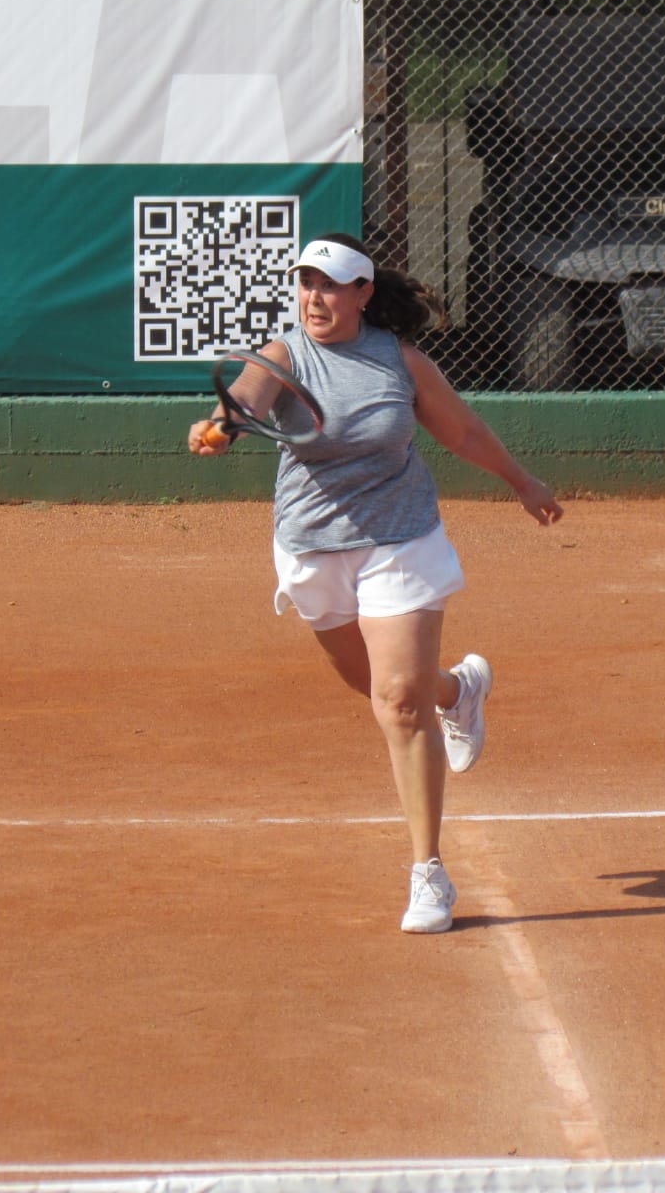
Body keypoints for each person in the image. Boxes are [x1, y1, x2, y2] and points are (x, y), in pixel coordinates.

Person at [188, 232, 562, 934]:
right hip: (313, 548)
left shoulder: (402, 361)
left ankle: (428, 873)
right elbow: (244, 398)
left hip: (401, 539)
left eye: (330, 285)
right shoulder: (284, 356)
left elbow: (463, 432)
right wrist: (219, 426)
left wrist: (523, 482)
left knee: (397, 703)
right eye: (306, 283)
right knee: (374, 684)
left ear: (362, 294)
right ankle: (459, 690)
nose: (315, 297)